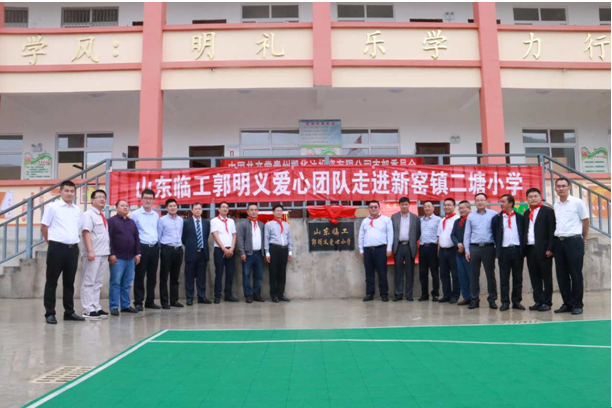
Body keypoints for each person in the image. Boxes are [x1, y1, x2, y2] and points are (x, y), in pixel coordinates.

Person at [41, 181, 84, 324]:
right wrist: (51, 242)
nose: (69, 193)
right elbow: (44, 227)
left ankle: (69, 312)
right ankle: (49, 313)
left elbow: (77, 227)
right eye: (66, 190)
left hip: (72, 249)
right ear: (60, 192)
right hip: (56, 249)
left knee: (69, 282)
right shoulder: (53, 207)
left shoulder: (77, 209)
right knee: (52, 281)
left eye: (72, 191)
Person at [553, 177, 589, 315]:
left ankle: (578, 304)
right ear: (555, 189)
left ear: (569, 187)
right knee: (561, 275)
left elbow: (585, 221)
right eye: (558, 186)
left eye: (563, 186)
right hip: (558, 242)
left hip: (574, 241)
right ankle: (567, 303)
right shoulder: (556, 205)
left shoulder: (577, 202)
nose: (561, 188)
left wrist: (583, 239)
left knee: (575, 274)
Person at [80, 189, 111, 320]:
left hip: (103, 253)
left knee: (98, 282)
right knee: (89, 281)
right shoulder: (88, 214)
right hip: (93, 253)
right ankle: (87, 309)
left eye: (104, 197)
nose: (102, 199)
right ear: (92, 200)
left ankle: (96, 306)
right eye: (98, 197)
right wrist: (90, 251)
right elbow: (86, 232)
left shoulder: (102, 216)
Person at [523, 188, 556, 312]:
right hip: (530, 249)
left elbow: (552, 231)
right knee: (534, 277)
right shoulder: (526, 213)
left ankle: (547, 302)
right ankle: (538, 301)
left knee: (546, 277)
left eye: (535, 196)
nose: (533, 198)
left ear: (540, 197)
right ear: (527, 199)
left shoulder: (548, 211)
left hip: (544, 250)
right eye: (530, 196)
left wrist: (550, 248)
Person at [491, 194, 526, 312]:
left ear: (511, 204)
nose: (501, 204)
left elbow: (523, 233)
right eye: (500, 202)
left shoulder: (520, 218)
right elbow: (495, 235)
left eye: (503, 202)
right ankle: (505, 302)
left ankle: (517, 301)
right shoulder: (496, 219)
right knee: (504, 278)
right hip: (504, 251)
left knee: (518, 278)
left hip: (517, 250)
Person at [464, 193, 498, 310]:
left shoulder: (494, 214)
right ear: (475, 202)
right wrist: (467, 250)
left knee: (490, 275)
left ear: (486, 201)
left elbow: (497, 232)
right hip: (474, 248)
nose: (480, 202)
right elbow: (467, 234)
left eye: (482, 200)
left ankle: (492, 299)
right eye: (477, 200)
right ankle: (474, 299)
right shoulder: (471, 216)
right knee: (474, 275)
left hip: (489, 248)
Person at [108, 199, 141, 316]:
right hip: (117, 258)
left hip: (130, 258)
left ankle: (125, 305)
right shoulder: (111, 221)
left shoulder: (132, 222)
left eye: (127, 205)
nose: (125, 207)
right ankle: (114, 307)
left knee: (127, 283)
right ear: (116, 208)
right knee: (115, 283)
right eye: (122, 205)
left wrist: (137, 253)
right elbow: (108, 239)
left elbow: (136, 238)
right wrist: (111, 254)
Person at [130, 189, 160, 311]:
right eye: (145, 198)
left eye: (150, 198)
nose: (148, 200)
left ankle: (150, 301)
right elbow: (133, 233)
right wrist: (136, 252)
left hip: (154, 248)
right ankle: (138, 302)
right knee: (140, 276)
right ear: (141, 199)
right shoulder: (135, 214)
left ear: (153, 200)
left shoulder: (156, 215)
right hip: (141, 247)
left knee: (152, 276)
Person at [358, 200, 393, 302]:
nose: (373, 209)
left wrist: (389, 248)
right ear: (368, 209)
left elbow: (390, 235)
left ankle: (384, 294)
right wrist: (361, 249)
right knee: (369, 273)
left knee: (382, 273)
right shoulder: (365, 221)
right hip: (367, 250)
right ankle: (369, 293)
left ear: (379, 208)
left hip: (380, 249)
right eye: (371, 207)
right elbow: (361, 236)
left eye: (375, 207)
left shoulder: (386, 220)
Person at [391, 197, 420, 301]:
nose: (404, 206)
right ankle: (398, 294)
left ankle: (409, 294)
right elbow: (391, 231)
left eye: (406, 204)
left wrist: (411, 241)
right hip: (398, 246)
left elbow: (418, 233)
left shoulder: (415, 218)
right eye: (402, 204)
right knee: (398, 271)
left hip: (409, 246)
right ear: (399, 205)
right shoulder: (394, 217)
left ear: (409, 205)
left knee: (409, 272)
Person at [182, 202, 211, 306]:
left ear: (202, 211)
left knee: (201, 277)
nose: (198, 210)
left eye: (199, 209)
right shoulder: (186, 223)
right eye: (196, 209)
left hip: (202, 253)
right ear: (192, 210)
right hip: (191, 253)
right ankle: (189, 298)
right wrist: (191, 246)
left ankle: (201, 296)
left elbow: (206, 236)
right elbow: (183, 238)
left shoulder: (206, 223)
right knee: (189, 277)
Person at [158, 198, 184, 309]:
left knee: (175, 276)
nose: (173, 208)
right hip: (167, 249)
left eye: (174, 206)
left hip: (178, 250)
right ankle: (164, 302)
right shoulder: (162, 220)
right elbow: (159, 236)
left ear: (177, 207)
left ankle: (174, 300)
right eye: (170, 206)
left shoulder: (181, 220)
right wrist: (163, 249)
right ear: (166, 208)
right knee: (164, 276)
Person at [237, 203, 266, 303]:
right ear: (248, 212)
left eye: (255, 210)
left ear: (258, 211)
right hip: (248, 254)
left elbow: (264, 239)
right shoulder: (243, 224)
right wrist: (242, 252)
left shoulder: (261, 224)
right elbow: (240, 239)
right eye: (251, 210)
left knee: (258, 275)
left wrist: (264, 253)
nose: (254, 212)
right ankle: (248, 295)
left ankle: (257, 294)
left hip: (259, 254)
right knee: (246, 275)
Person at [210, 202, 238, 304]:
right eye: (223, 207)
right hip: (219, 250)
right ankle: (217, 295)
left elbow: (234, 235)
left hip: (231, 249)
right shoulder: (214, 221)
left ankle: (228, 295)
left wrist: (232, 248)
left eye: (227, 207)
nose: (225, 209)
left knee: (230, 274)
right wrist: (224, 249)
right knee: (219, 273)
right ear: (219, 209)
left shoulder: (231, 221)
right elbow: (215, 235)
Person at [265, 204, 293, 303]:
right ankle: (273, 295)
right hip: (274, 249)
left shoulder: (286, 225)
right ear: (273, 212)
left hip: (284, 250)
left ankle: (281, 294)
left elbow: (289, 238)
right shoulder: (269, 224)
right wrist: (267, 253)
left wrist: (290, 251)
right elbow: (266, 239)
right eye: (277, 210)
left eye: (280, 211)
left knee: (282, 273)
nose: (279, 212)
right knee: (273, 273)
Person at [437, 198, 461, 303]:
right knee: (443, 274)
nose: (446, 207)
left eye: (449, 205)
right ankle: (446, 295)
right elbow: (439, 236)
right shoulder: (442, 220)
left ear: (454, 206)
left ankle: (455, 295)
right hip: (442, 251)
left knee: (455, 275)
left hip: (453, 250)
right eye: (445, 205)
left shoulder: (458, 219)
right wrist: (438, 251)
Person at [418, 201, 441, 302]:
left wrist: (438, 249)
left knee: (434, 272)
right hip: (423, 248)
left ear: (433, 208)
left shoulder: (438, 220)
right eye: (425, 207)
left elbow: (440, 235)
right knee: (423, 273)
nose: (427, 208)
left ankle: (435, 294)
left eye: (429, 206)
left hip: (433, 248)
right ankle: (424, 294)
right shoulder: (420, 220)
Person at [451, 200, 472, 305]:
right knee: (462, 276)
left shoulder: (472, 220)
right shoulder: (457, 221)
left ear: (469, 209)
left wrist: (466, 246)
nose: (461, 210)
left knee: (471, 276)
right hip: (459, 253)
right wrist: (458, 244)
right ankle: (466, 297)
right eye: (460, 208)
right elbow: (452, 235)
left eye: (463, 208)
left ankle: (474, 297)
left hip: (470, 253)